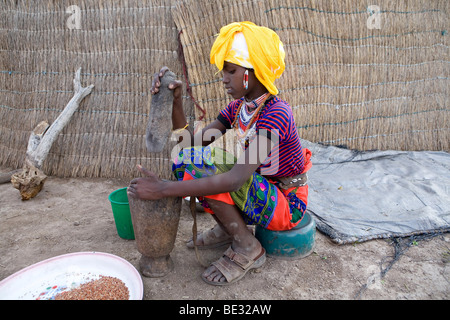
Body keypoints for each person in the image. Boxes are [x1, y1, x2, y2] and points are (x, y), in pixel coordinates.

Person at [127, 21, 312, 286]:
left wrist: (163, 189)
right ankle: (230, 229)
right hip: (259, 192)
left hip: (285, 202)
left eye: (231, 70)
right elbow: (188, 146)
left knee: (206, 166)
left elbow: (235, 180)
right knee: (186, 161)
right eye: (224, 71)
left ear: (255, 70)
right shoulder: (240, 108)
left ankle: (248, 247)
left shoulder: (276, 113)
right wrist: (176, 101)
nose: (224, 78)